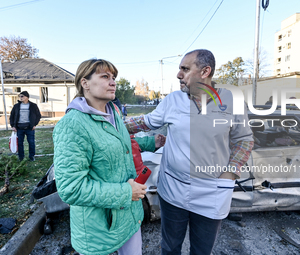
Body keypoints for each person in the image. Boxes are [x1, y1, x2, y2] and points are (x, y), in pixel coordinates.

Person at [125, 49, 254, 254]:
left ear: (205, 71)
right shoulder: (173, 100)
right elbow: (144, 122)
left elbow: (244, 140)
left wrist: (230, 174)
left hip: (212, 190)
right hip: (173, 190)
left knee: (202, 250)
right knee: (170, 247)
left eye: (185, 69)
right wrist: (109, 123)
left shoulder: (232, 101)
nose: (178, 75)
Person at [53, 59, 165, 255]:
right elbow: (71, 188)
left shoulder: (112, 112)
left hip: (129, 216)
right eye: (105, 76)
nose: (113, 82)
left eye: (113, 77)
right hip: (100, 228)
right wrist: (125, 193)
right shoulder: (73, 125)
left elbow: (120, 143)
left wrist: (151, 143)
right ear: (84, 83)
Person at [10, 91, 41, 161]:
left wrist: (34, 124)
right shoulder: (16, 106)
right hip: (19, 128)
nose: (20, 98)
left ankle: (31, 156)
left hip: (29, 128)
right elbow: (12, 116)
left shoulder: (33, 106)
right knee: (20, 143)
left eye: (22, 96)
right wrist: (13, 126)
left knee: (31, 142)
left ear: (27, 97)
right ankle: (21, 157)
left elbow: (38, 116)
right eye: (20, 96)